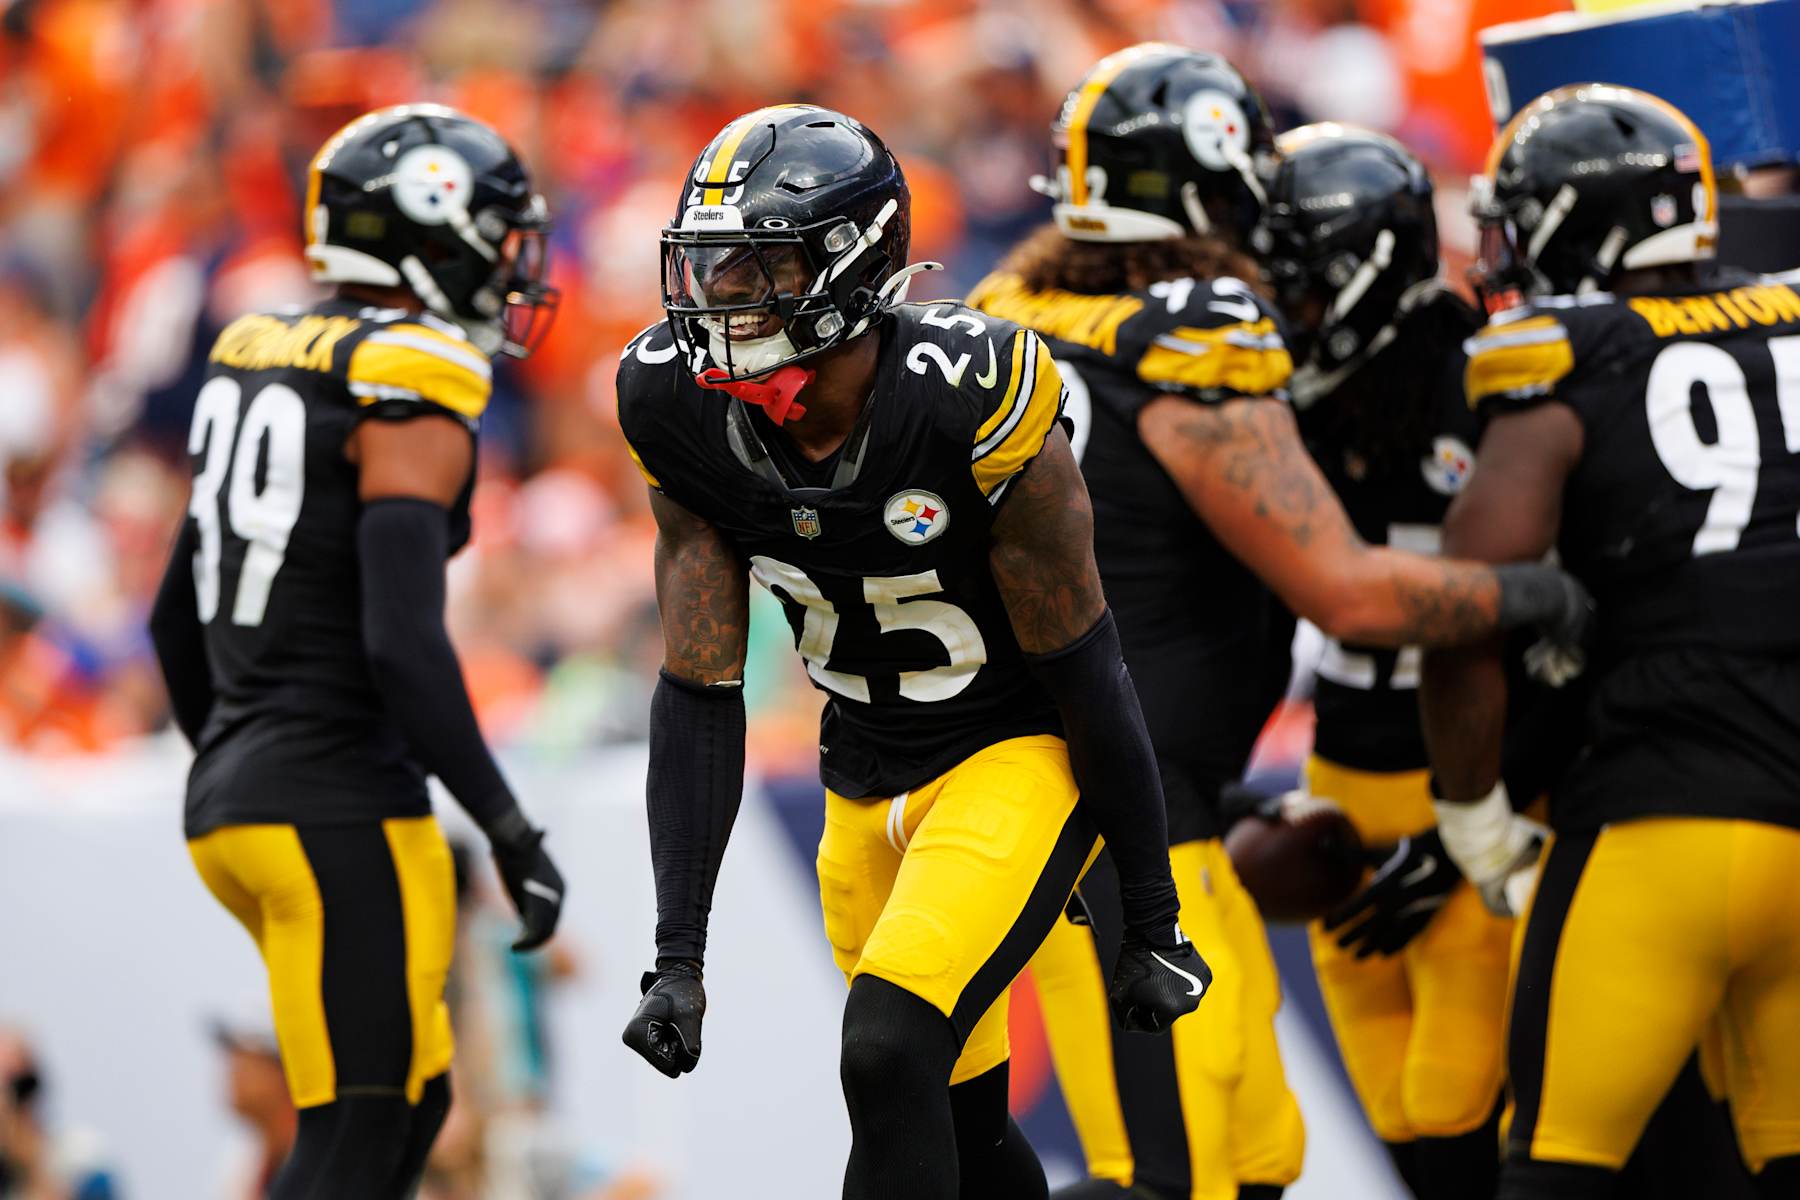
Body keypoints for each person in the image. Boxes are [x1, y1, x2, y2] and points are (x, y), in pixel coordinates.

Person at [964, 44, 1593, 1200]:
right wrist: (1544, 594)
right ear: (1213, 181)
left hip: (1135, 799)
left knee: (1256, 1164)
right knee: (1172, 1176)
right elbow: (1345, 592)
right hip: (1107, 827)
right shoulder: (1190, 335)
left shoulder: (1004, 312)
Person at [613, 103, 1210, 1200]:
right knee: (959, 1130)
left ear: (855, 263)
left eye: (759, 269)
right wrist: (678, 957)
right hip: (862, 770)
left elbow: (1087, 660)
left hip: (1013, 750)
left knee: (884, 1051)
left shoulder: (967, 395)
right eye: (711, 270)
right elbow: (698, 686)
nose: (721, 300)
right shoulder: (674, 402)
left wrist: (1150, 911)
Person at [147, 104, 567, 1200]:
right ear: (428, 230)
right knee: (354, 1127)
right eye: (493, 230)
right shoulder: (410, 375)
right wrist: (509, 823)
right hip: (334, 801)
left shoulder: (256, 354)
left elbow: (171, 618)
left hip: (245, 796)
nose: (510, 261)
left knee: (407, 1104)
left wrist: (238, 759)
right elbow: (402, 644)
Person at [1422, 83, 1800, 1200]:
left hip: (1664, 820)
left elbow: (1469, 610)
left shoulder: (1558, 360)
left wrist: (1474, 816)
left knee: (1553, 1176)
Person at [1258, 123, 1516, 1200]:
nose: (1278, 301)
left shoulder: (1487, 386)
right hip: (1341, 784)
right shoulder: (1275, 402)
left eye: (1298, 277)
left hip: (1479, 792)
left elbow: (1543, 629)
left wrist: (1468, 835)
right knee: (1401, 1122)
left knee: (1466, 1112)